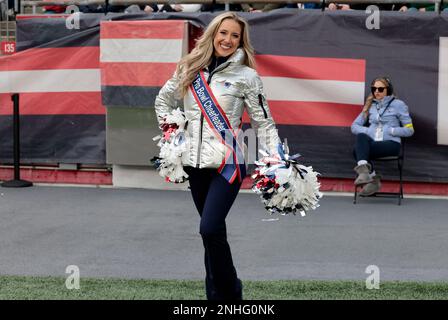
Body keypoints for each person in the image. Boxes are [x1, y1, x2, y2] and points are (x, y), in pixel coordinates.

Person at [154, 12, 280, 300]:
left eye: (235, 36)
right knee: (211, 235)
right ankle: (217, 297)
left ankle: (231, 292)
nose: (228, 40)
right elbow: (162, 100)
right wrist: (173, 133)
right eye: (223, 33)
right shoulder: (189, 67)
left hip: (228, 165)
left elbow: (264, 123)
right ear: (213, 34)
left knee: (209, 228)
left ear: (241, 41)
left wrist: (277, 158)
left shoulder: (247, 76)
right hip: (194, 165)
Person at [351, 77, 414, 196]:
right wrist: (369, 130)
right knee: (361, 138)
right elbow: (354, 126)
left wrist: (391, 130)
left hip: (391, 143)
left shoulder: (399, 105)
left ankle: (371, 178)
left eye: (380, 89)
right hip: (373, 143)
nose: (376, 91)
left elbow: (409, 130)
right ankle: (369, 175)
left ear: (388, 90)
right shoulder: (371, 105)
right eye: (374, 89)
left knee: (357, 151)